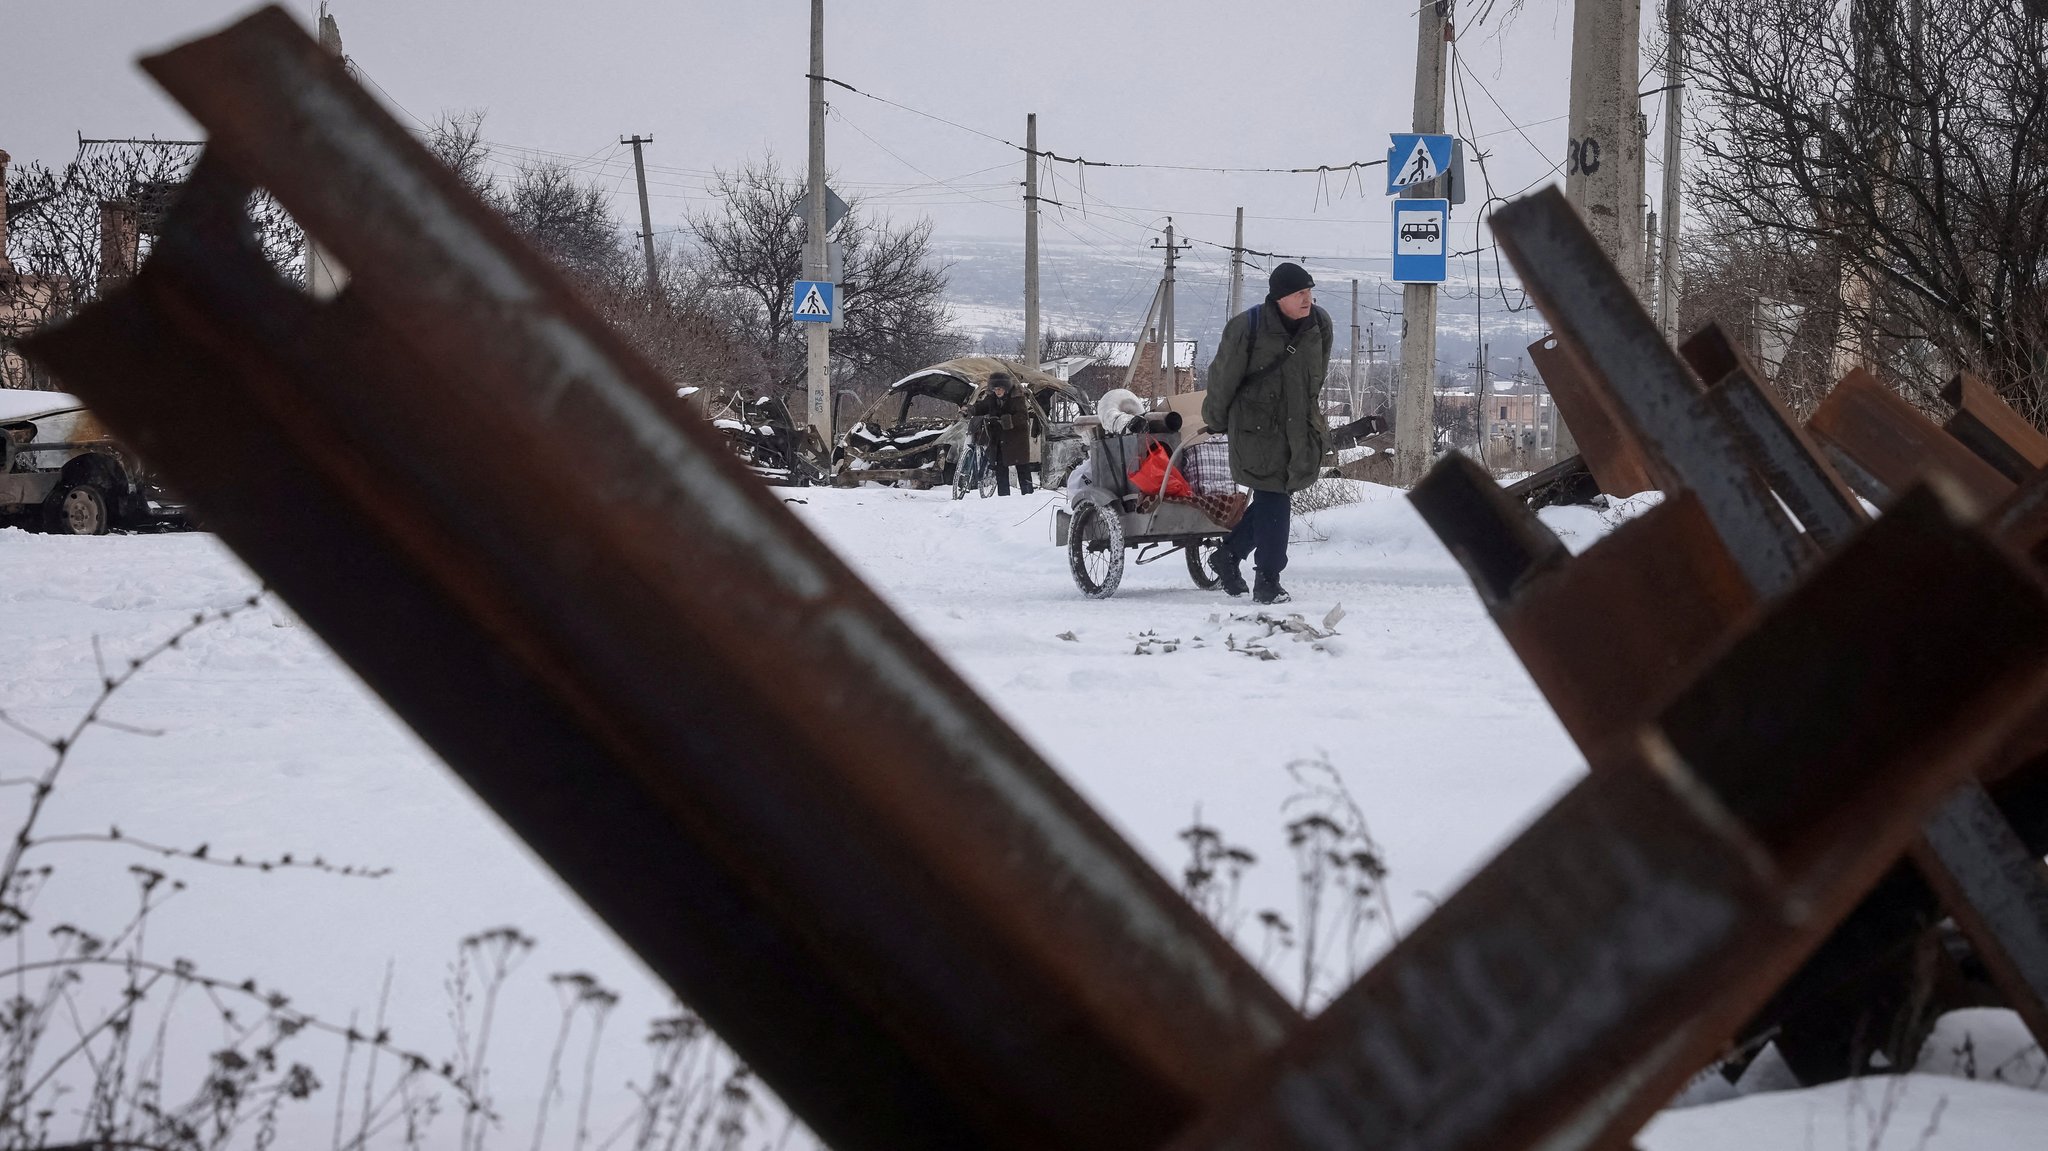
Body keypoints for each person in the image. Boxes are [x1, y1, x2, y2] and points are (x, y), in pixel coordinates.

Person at [1200, 262, 1333, 604]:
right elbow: (1223, 378)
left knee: (1275, 495)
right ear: (1279, 297)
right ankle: (1268, 581)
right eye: (1300, 293)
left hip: (1298, 430)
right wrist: (1215, 419)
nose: (1308, 299)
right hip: (1256, 429)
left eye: (1309, 291)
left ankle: (1227, 556)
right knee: (1275, 497)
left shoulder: (1319, 324)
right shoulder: (1248, 327)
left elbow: (1315, 379)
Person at [968, 371, 1039, 496]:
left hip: (1016, 439)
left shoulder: (1017, 397)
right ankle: (1003, 498)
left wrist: (1008, 420)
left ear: (1006, 388)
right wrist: (970, 410)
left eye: (1000, 389)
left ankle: (1028, 497)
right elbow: (982, 407)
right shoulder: (991, 398)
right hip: (1000, 439)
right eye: (995, 389)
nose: (997, 392)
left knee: (1022, 469)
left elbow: (1023, 417)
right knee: (1001, 469)